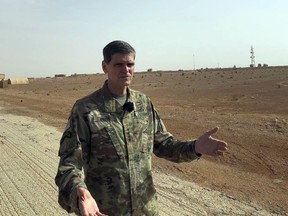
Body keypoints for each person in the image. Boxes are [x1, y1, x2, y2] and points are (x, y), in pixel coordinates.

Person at [55, 40, 228, 216]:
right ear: (105, 66)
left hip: (146, 210)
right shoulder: (86, 110)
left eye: (130, 64)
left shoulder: (143, 104)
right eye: (118, 64)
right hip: (103, 211)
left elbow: (164, 145)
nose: (126, 70)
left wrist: (195, 147)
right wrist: (80, 194)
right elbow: (69, 164)